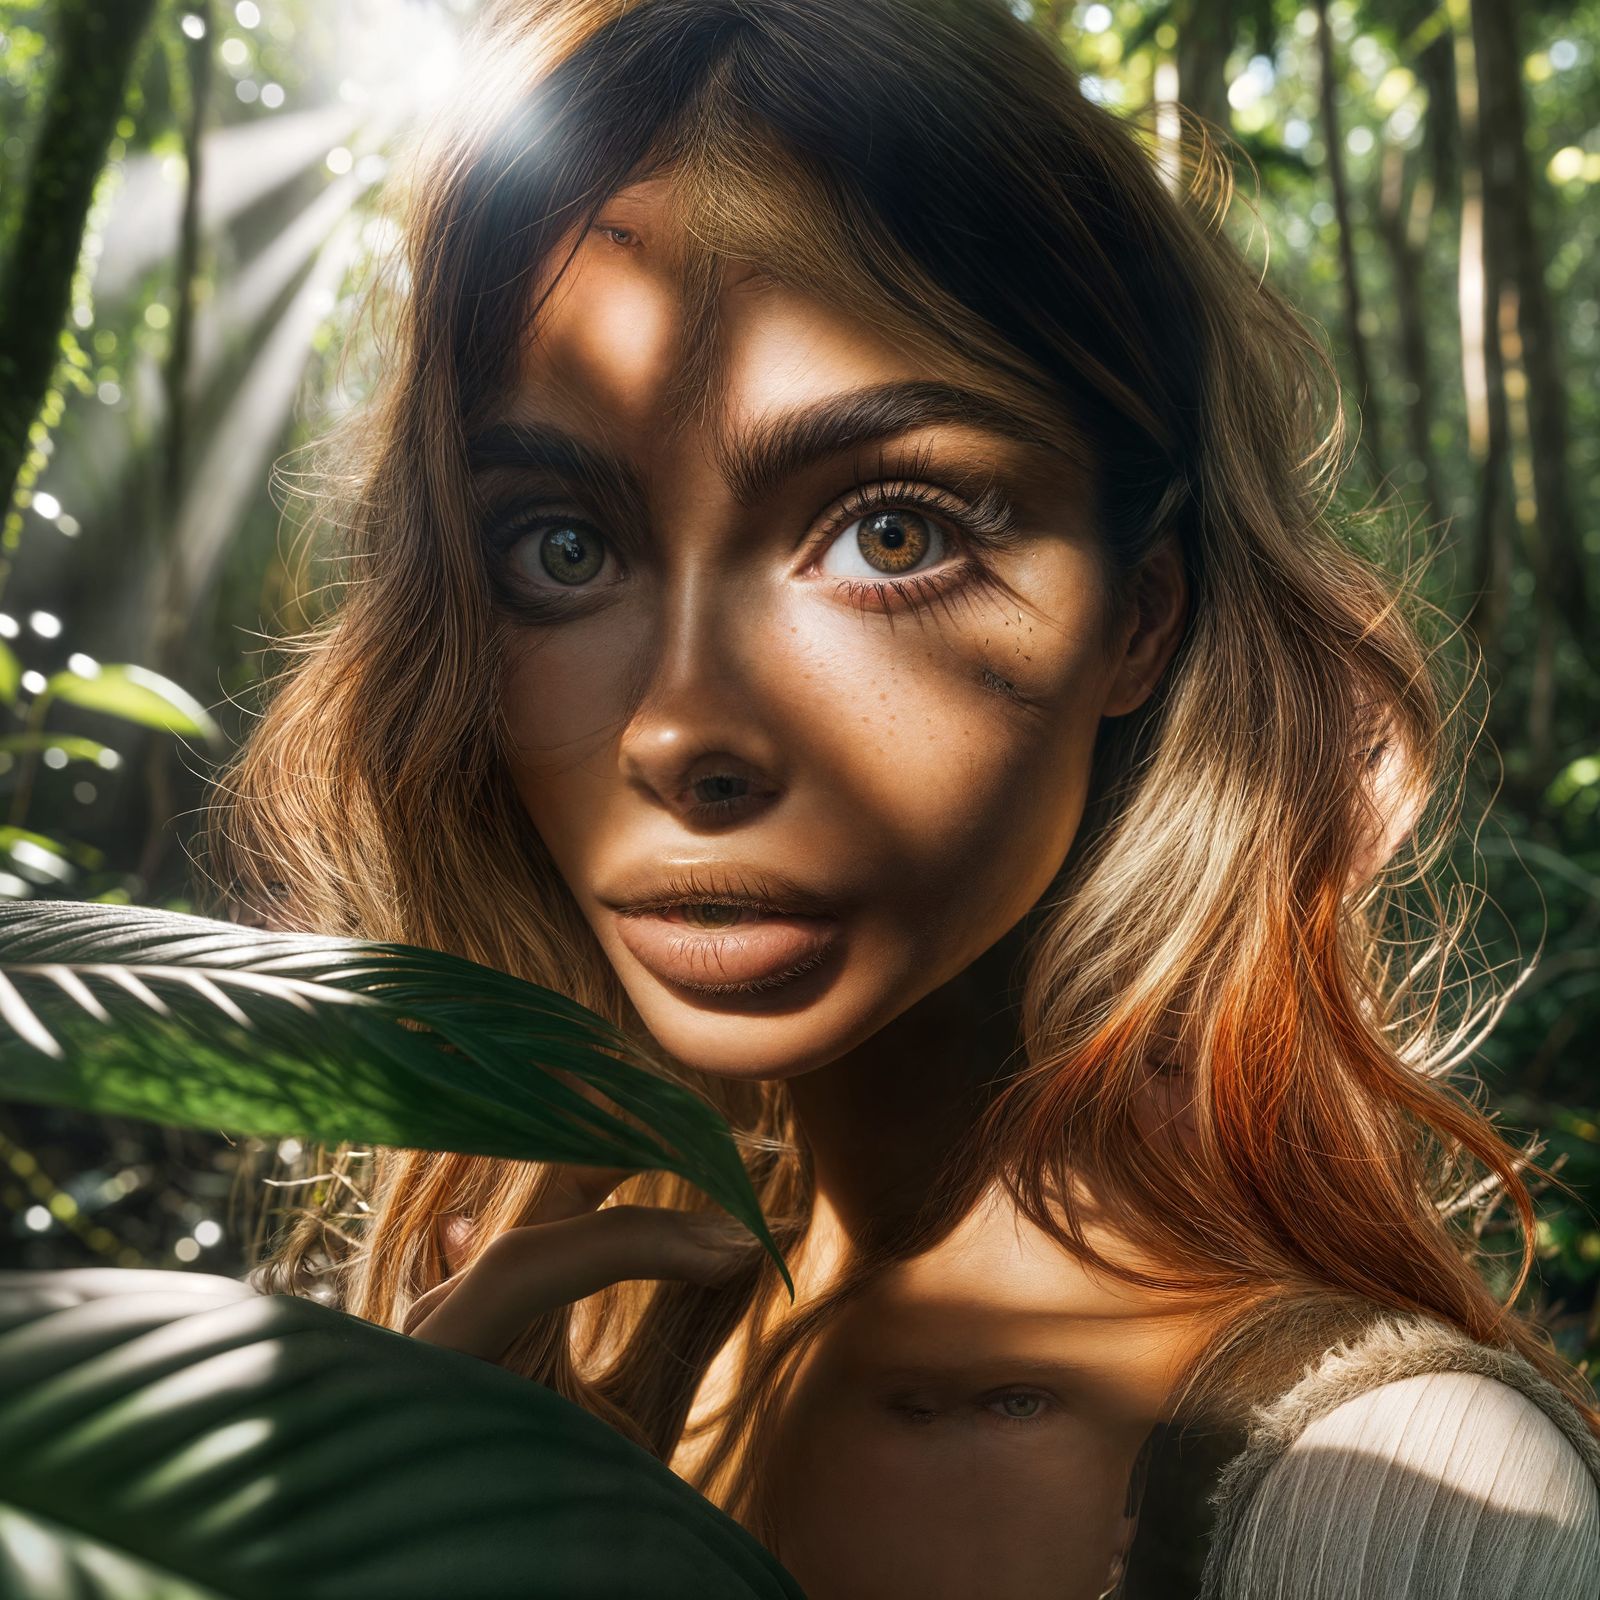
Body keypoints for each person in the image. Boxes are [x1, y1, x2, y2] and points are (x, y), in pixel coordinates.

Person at [206, 1, 1600, 1594]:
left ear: (1139, 615)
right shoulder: (580, 1361)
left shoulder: (1398, 1496)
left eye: (893, 533)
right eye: (563, 547)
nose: (680, 727)